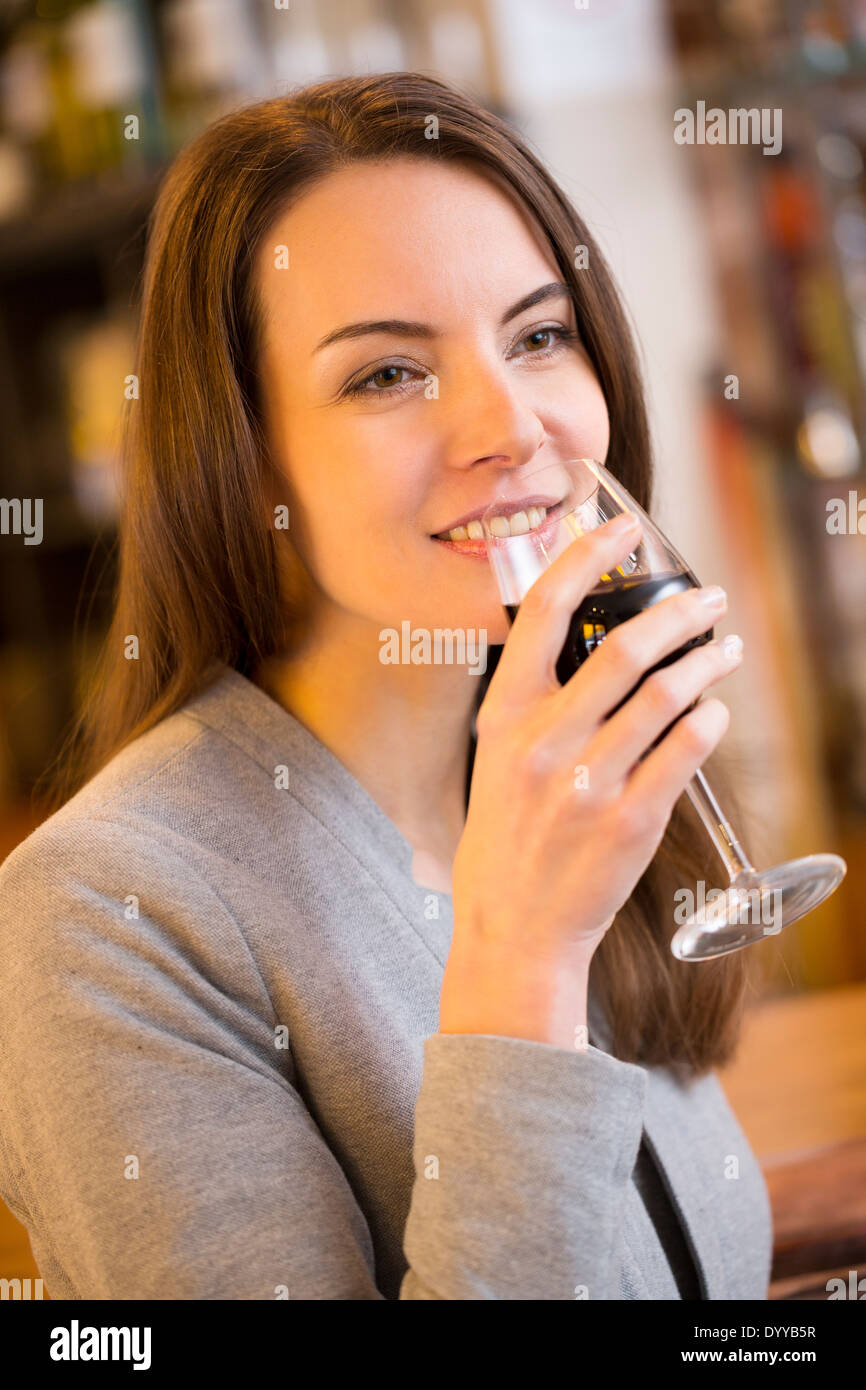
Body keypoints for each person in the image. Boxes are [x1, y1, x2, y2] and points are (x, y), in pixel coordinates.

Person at [0, 72, 771, 1300]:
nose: (510, 426)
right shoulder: (101, 917)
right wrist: (520, 953)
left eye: (537, 335)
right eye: (386, 375)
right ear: (244, 456)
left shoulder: (550, 774)